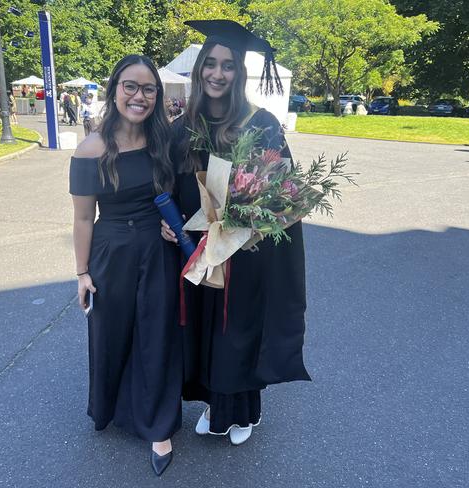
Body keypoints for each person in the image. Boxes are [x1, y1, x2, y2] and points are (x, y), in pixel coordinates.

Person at [163, 20, 310, 446]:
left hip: (247, 251)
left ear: (239, 74)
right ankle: (215, 404)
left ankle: (244, 411)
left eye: (227, 65)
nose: (217, 73)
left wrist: (246, 225)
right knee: (206, 328)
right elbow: (167, 183)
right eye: (210, 64)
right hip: (198, 248)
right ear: (199, 70)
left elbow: (284, 191)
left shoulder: (260, 123)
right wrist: (169, 221)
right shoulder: (183, 124)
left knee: (236, 329)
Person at [69, 54, 181, 476]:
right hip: (111, 252)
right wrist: (82, 273)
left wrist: (175, 227)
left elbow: (175, 192)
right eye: (130, 86)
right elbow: (83, 218)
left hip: (157, 250)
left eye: (149, 89)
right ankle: (110, 406)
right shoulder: (91, 148)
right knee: (110, 333)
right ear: (115, 89)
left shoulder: (163, 140)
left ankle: (159, 426)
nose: (139, 96)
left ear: (157, 95)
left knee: (156, 336)